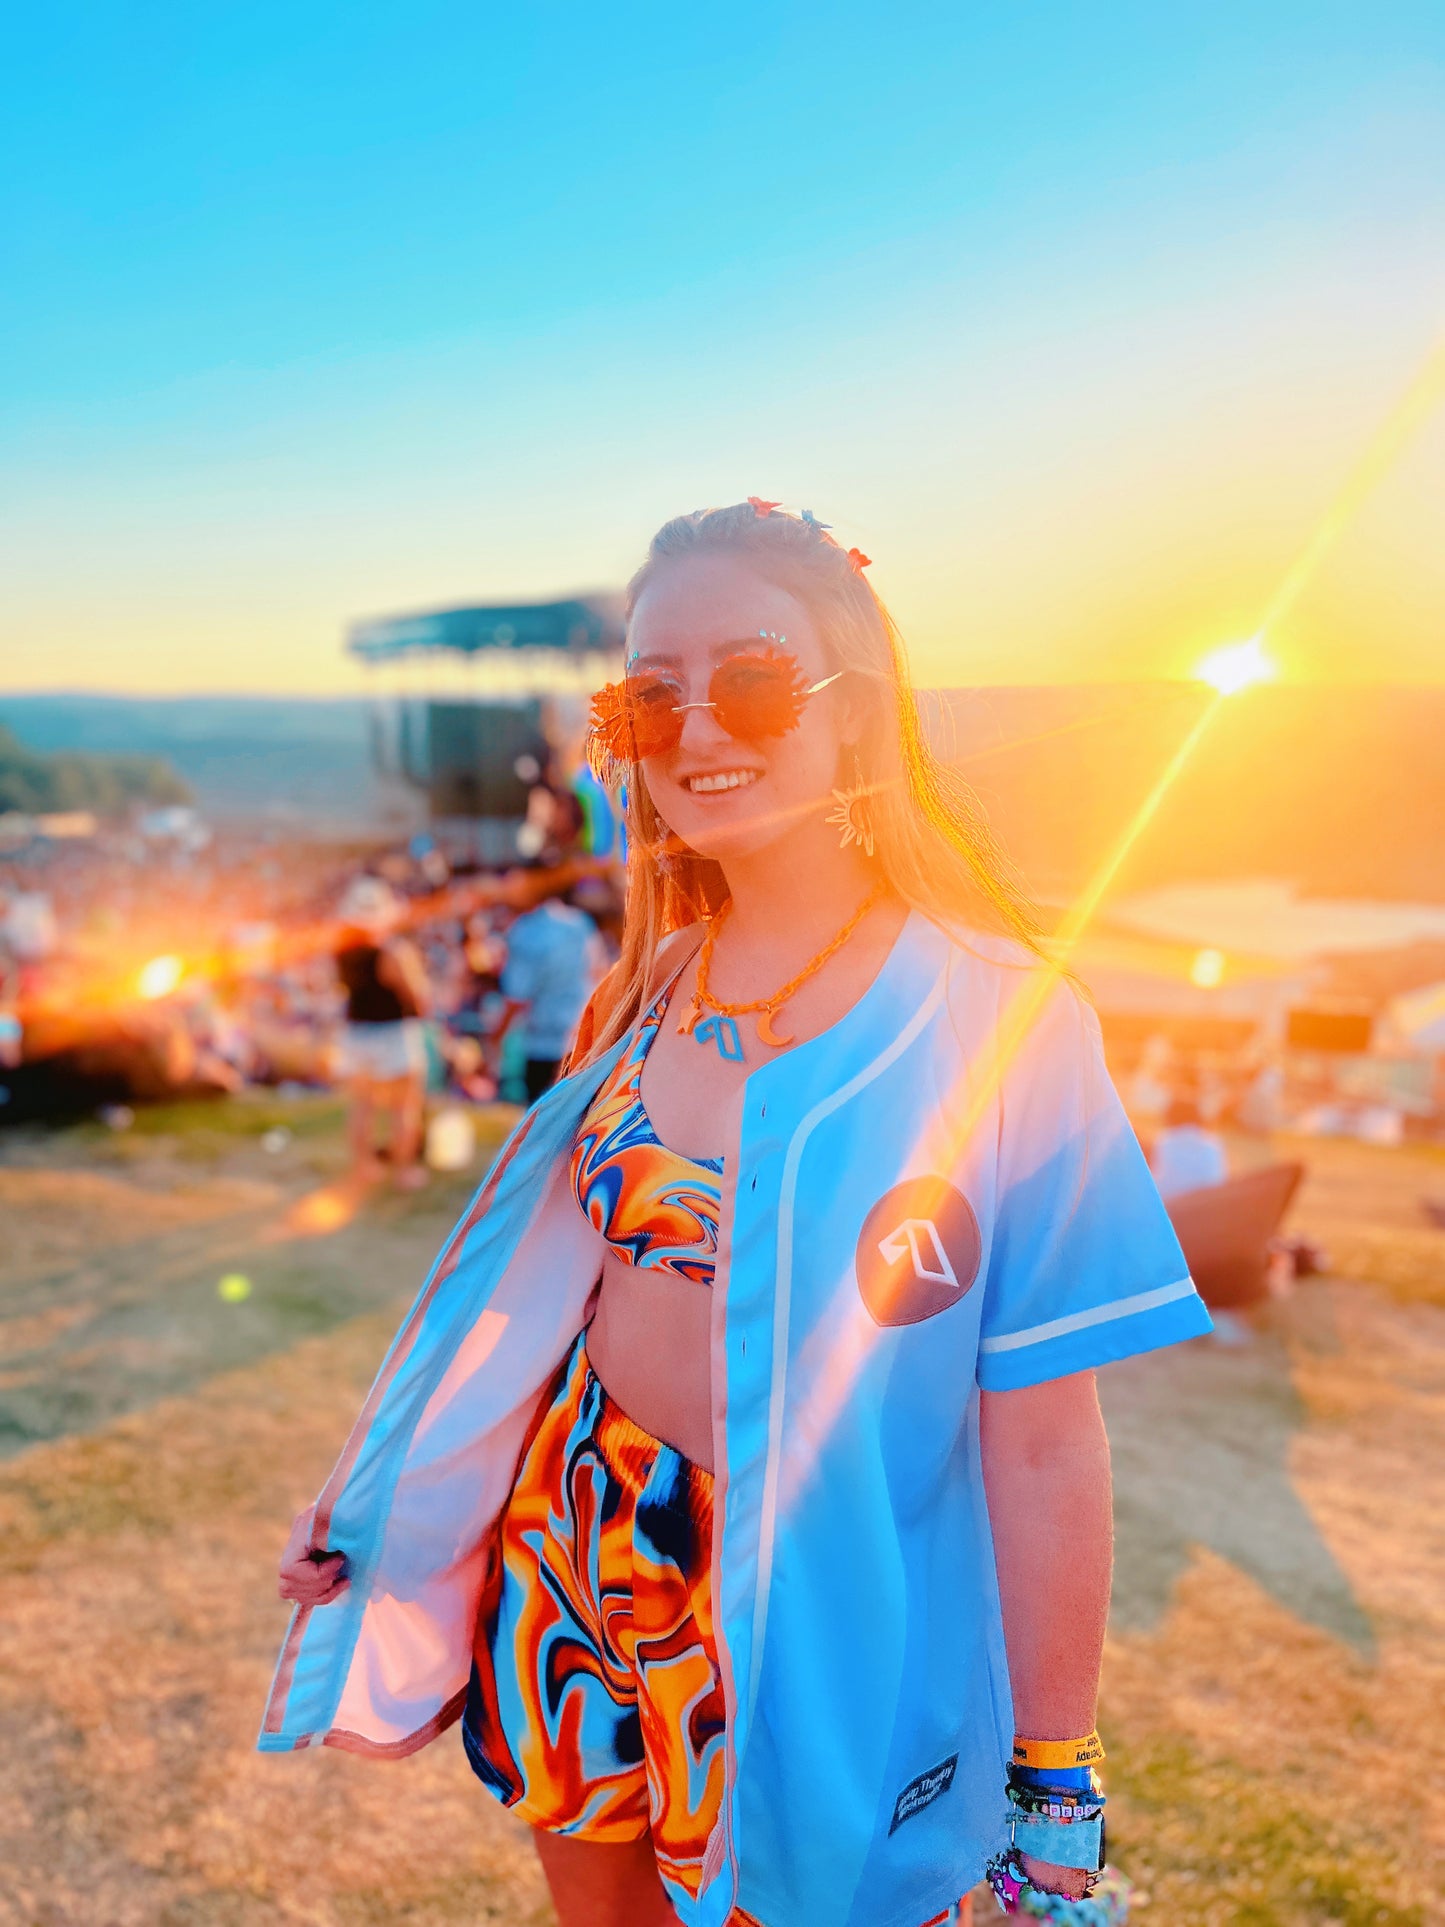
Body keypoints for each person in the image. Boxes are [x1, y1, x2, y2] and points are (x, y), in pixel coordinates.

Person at [270, 503, 1211, 1927]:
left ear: (856, 712)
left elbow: (1039, 1437)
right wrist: (386, 1503)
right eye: (648, 693)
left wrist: (1054, 1777)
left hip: (812, 1621)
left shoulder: (1000, 1017)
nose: (696, 725)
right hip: (569, 1552)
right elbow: (544, 1307)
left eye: (754, 678)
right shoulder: (641, 987)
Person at [333, 876, 431, 1189]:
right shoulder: (391, 951)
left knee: (362, 1106)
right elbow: (416, 996)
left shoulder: (343, 951)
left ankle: (364, 1167)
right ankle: (404, 1172)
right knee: (404, 1107)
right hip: (393, 1034)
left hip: (356, 1034)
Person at [499, 885, 606, 1104]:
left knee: (539, 1123)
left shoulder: (528, 931)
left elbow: (516, 996)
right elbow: (599, 974)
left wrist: (496, 1036)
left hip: (542, 1043)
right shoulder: (581, 924)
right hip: (580, 1039)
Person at [1149, 1092, 1228, 1199]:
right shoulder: (1213, 1144)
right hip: (1208, 1201)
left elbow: (1161, 1178)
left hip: (1172, 1202)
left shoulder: (1166, 1141)